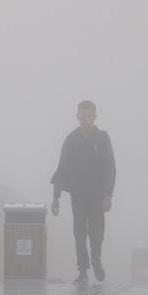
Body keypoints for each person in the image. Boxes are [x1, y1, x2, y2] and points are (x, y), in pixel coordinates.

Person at [50, 100, 116, 284]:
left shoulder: (102, 138)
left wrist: (108, 194)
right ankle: (83, 271)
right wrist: (56, 197)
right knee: (79, 232)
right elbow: (62, 168)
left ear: (95, 117)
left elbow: (110, 167)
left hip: (98, 195)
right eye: (83, 115)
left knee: (97, 232)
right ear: (77, 116)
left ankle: (96, 258)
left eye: (89, 116)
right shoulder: (71, 139)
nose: (86, 119)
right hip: (77, 194)